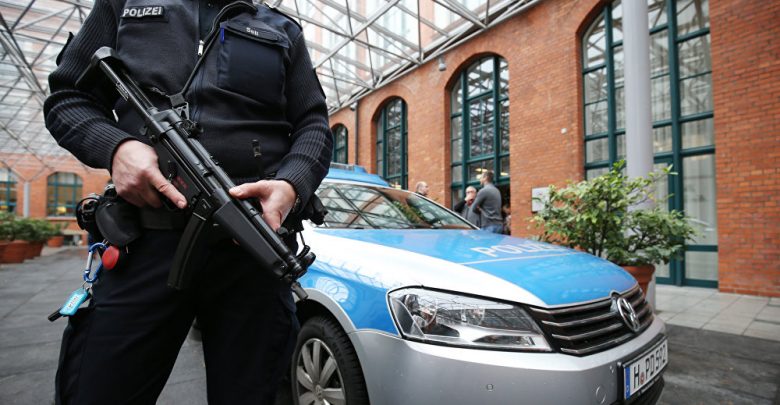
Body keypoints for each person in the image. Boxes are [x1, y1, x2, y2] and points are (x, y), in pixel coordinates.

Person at [43, 0, 331, 403]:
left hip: (252, 248)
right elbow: (68, 97)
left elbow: (314, 124)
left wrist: (291, 185)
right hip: (145, 243)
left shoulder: (282, 29)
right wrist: (116, 147)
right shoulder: (124, 4)